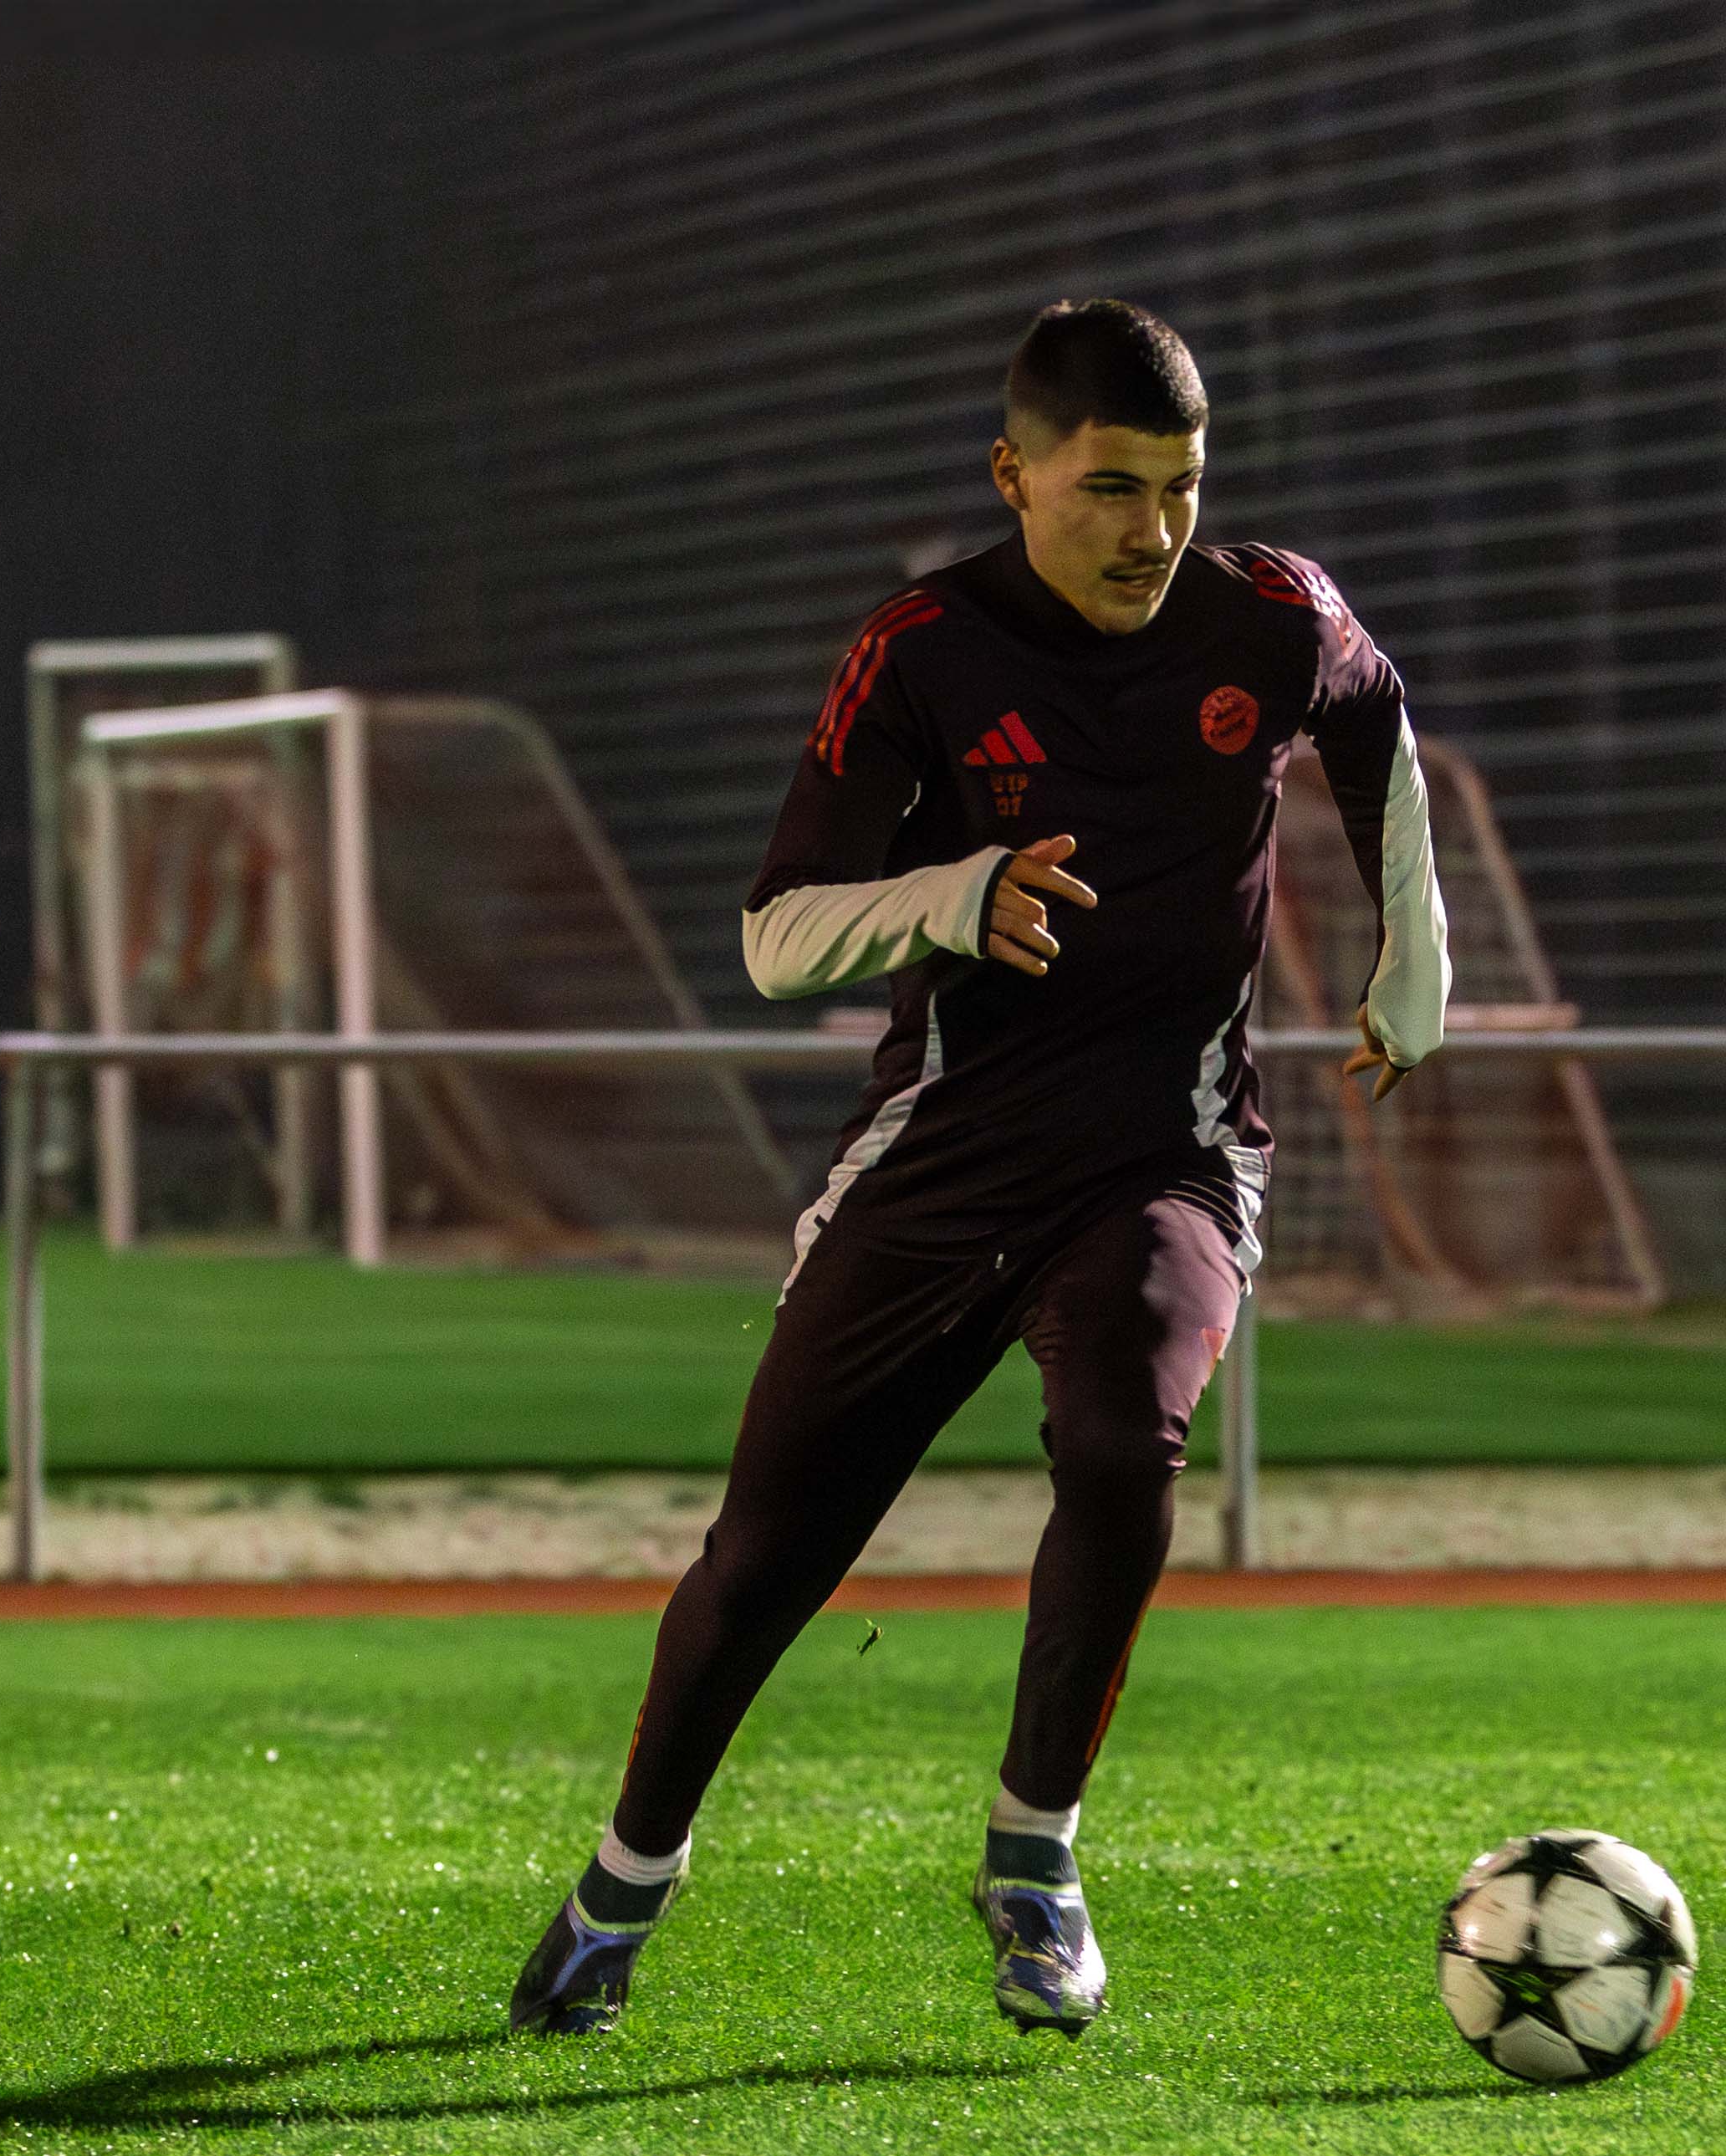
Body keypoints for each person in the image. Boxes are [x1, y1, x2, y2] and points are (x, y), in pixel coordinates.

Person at [505, 299, 1448, 2037]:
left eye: (1178, 484)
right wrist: (957, 891)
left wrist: (1415, 963)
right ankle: (627, 1879)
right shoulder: (921, 650)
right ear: (1012, 477)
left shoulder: (1272, 614)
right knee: (771, 1552)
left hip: (1163, 1158)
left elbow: (1374, 716)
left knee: (1118, 1440)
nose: (1150, 528)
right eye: (1106, 487)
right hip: (940, 1160)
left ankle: (1036, 1854)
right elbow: (778, 938)